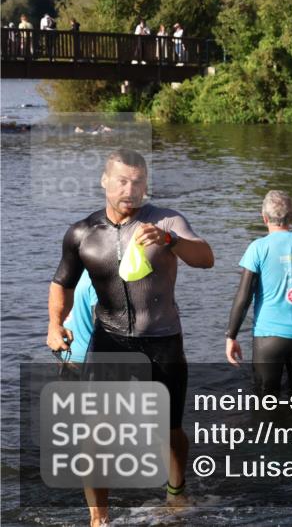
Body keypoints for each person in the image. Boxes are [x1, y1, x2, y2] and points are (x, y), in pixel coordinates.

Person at [47, 148, 215, 526]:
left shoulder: (167, 220)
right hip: (110, 342)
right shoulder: (82, 233)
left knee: (170, 429)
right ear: (105, 181)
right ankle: (99, 519)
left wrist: (171, 240)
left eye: (138, 181)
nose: (130, 189)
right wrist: (55, 326)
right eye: (122, 180)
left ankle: (175, 491)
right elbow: (62, 283)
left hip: (163, 341)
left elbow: (206, 258)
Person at [225, 190, 292, 396]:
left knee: (265, 403)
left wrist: (231, 336)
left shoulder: (257, 248)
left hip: (268, 338)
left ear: (264, 217)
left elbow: (243, 296)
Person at [54, 269, 98, 379]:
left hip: (66, 356)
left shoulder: (66, 277)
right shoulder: (97, 281)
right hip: (89, 361)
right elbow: (99, 326)